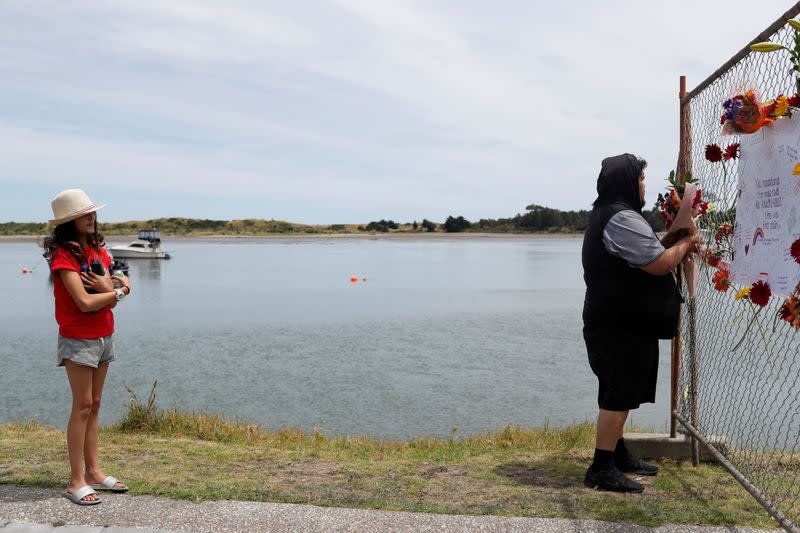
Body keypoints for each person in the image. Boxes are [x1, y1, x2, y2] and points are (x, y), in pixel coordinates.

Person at [581, 154, 699, 493]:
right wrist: (688, 242)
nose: (644, 185)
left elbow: (642, 254)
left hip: (618, 320)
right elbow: (659, 263)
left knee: (621, 390)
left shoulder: (612, 213)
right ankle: (602, 467)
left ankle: (616, 453)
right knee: (618, 394)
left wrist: (672, 238)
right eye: (641, 178)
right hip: (618, 324)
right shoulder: (621, 217)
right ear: (627, 182)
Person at [42, 189, 132, 505]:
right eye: (84, 213)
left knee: (94, 404)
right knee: (81, 406)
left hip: (104, 334)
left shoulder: (95, 249)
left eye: (92, 212)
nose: (91, 217)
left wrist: (114, 288)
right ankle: (75, 481)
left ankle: (94, 472)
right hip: (78, 337)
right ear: (69, 221)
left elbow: (111, 286)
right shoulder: (62, 256)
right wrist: (118, 292)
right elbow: (83, 302)